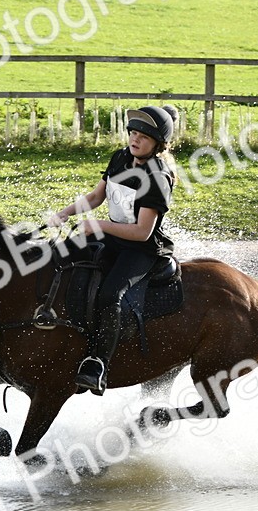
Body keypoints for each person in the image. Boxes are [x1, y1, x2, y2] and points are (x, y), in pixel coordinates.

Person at [48, 105, 177, 394]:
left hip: (141, 250)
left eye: (143, 136)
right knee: (62, 257)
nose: (135, 139)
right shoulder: (120, 157)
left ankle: (97, 363)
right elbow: (96, 196)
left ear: (158, 144)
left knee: (110, 294)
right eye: (133, 133)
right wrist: (66, 213)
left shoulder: (157, 178)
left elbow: (142, 232)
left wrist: (100, 226)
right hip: (114, 238)